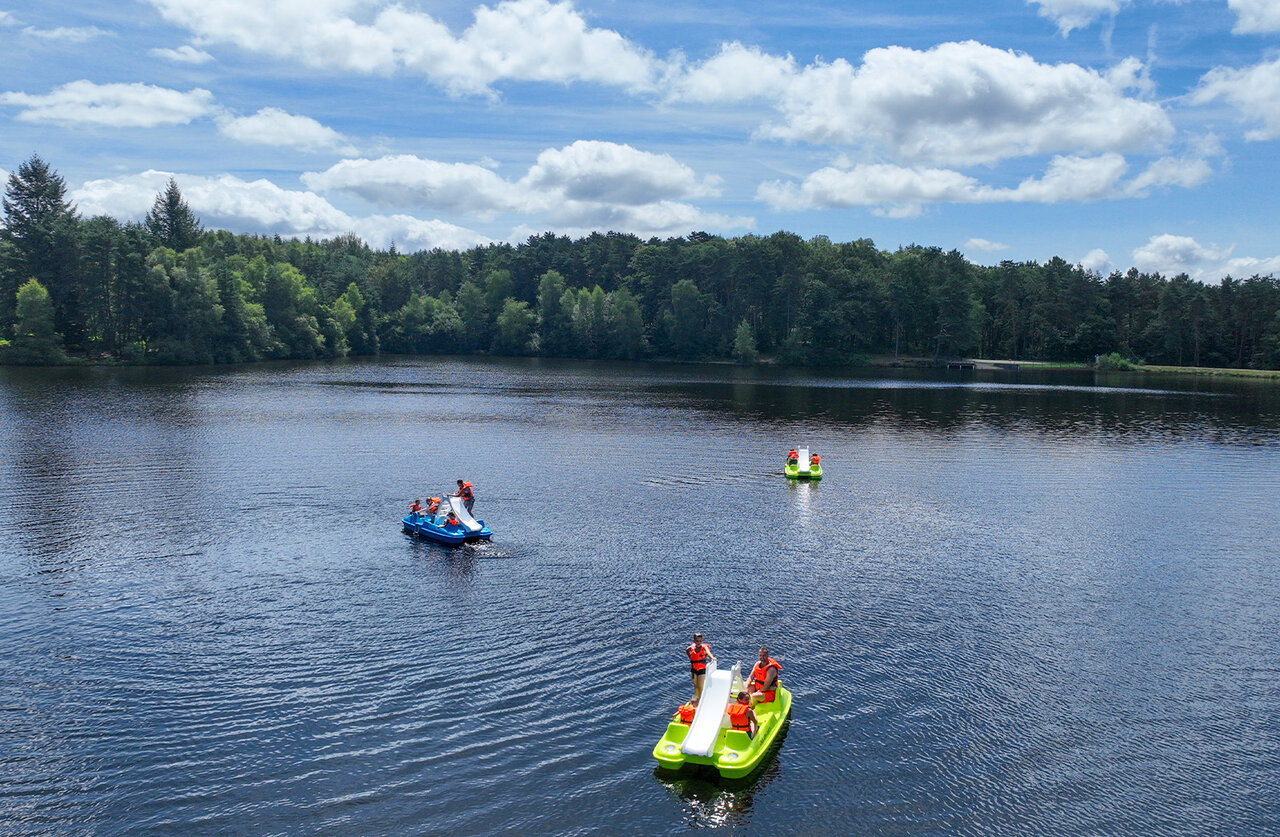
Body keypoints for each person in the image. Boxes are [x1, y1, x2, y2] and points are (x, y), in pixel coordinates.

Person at [686, 633, 717, 701]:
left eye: (700, 641)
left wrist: (712, 657)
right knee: (695, 685)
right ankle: (697, 698)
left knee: (700, 686)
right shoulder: (692, 647)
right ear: (694, 641)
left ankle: (701, 700)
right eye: (697, 641)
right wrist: (690, 657)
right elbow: (687, 650)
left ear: (702, 640)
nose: (699, 643)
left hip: (701, 670)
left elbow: (708, 652)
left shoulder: (704, 647)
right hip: (694, 669)